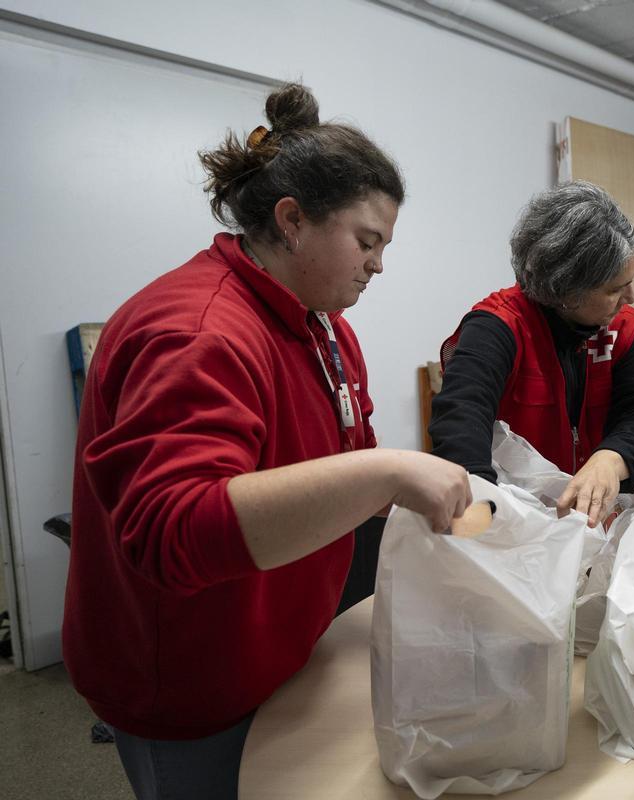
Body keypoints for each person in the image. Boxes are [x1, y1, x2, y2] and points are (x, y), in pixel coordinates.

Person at [62, 83, 471, 800]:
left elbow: (340, 464)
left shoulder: (324, 325)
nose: (378, 266)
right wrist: (385, 474)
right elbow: (173, 530)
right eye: (366, 242)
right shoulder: (198, 333)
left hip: (282, 648)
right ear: (291, 221)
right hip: (190, 683)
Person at [430, 181, 634, 526]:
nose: (631, 297)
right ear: (566, 290)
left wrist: (610, 459)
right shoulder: (497, 328)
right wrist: (481, 514)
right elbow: (461, 418)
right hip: (516, 519)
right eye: (615, 288)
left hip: (597, 517)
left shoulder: (627, 330)